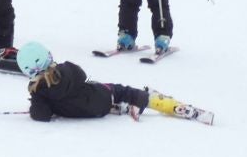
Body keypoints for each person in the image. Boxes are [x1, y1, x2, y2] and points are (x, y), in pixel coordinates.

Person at [14, 42, 210, 123]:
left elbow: (41, 115)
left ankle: (121, 107)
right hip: (101, 96)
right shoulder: (68, 69)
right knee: (120, 90)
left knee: (87, 98)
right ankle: (156, 102)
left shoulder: (40, 95)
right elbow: (82, 75)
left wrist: (37, 102)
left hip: (93, 113)